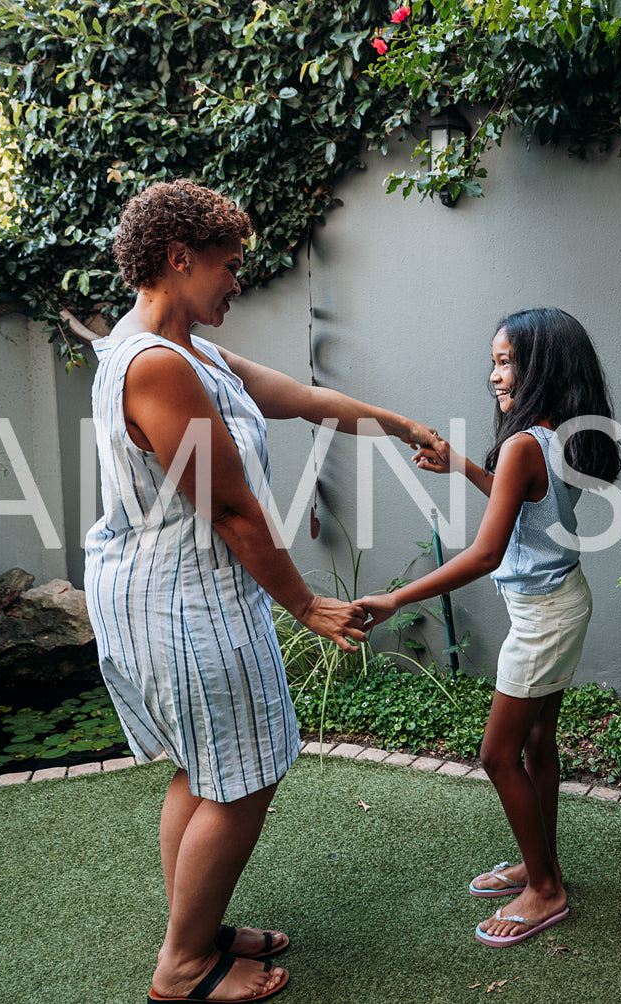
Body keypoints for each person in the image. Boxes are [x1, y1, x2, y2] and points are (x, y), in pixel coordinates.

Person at [84, 179, 437, 1002]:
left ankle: (195, 931)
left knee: (204, 770)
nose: (238, 280)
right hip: (183, 598)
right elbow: (235, 508)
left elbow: (295, 398)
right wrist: (305, 605)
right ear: (179, 258)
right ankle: (180, 970)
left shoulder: (181, 348)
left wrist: (395, 422)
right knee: (240, 781)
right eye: (228, 265)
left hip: (169, 590)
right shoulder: (158, 366)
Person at [357, 307, 621, 948]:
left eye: (506, 361)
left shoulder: (523, 445)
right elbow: (526, 504)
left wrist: (396, 599)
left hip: (541, 620)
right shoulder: (555, 436)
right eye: (496, 361)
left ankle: (546, 891)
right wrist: (462, 469)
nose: (494, 374)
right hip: (563, 601)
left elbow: (484, 554)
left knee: (497, 755)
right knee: (537, 748)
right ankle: (544, 868)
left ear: (542, 366)